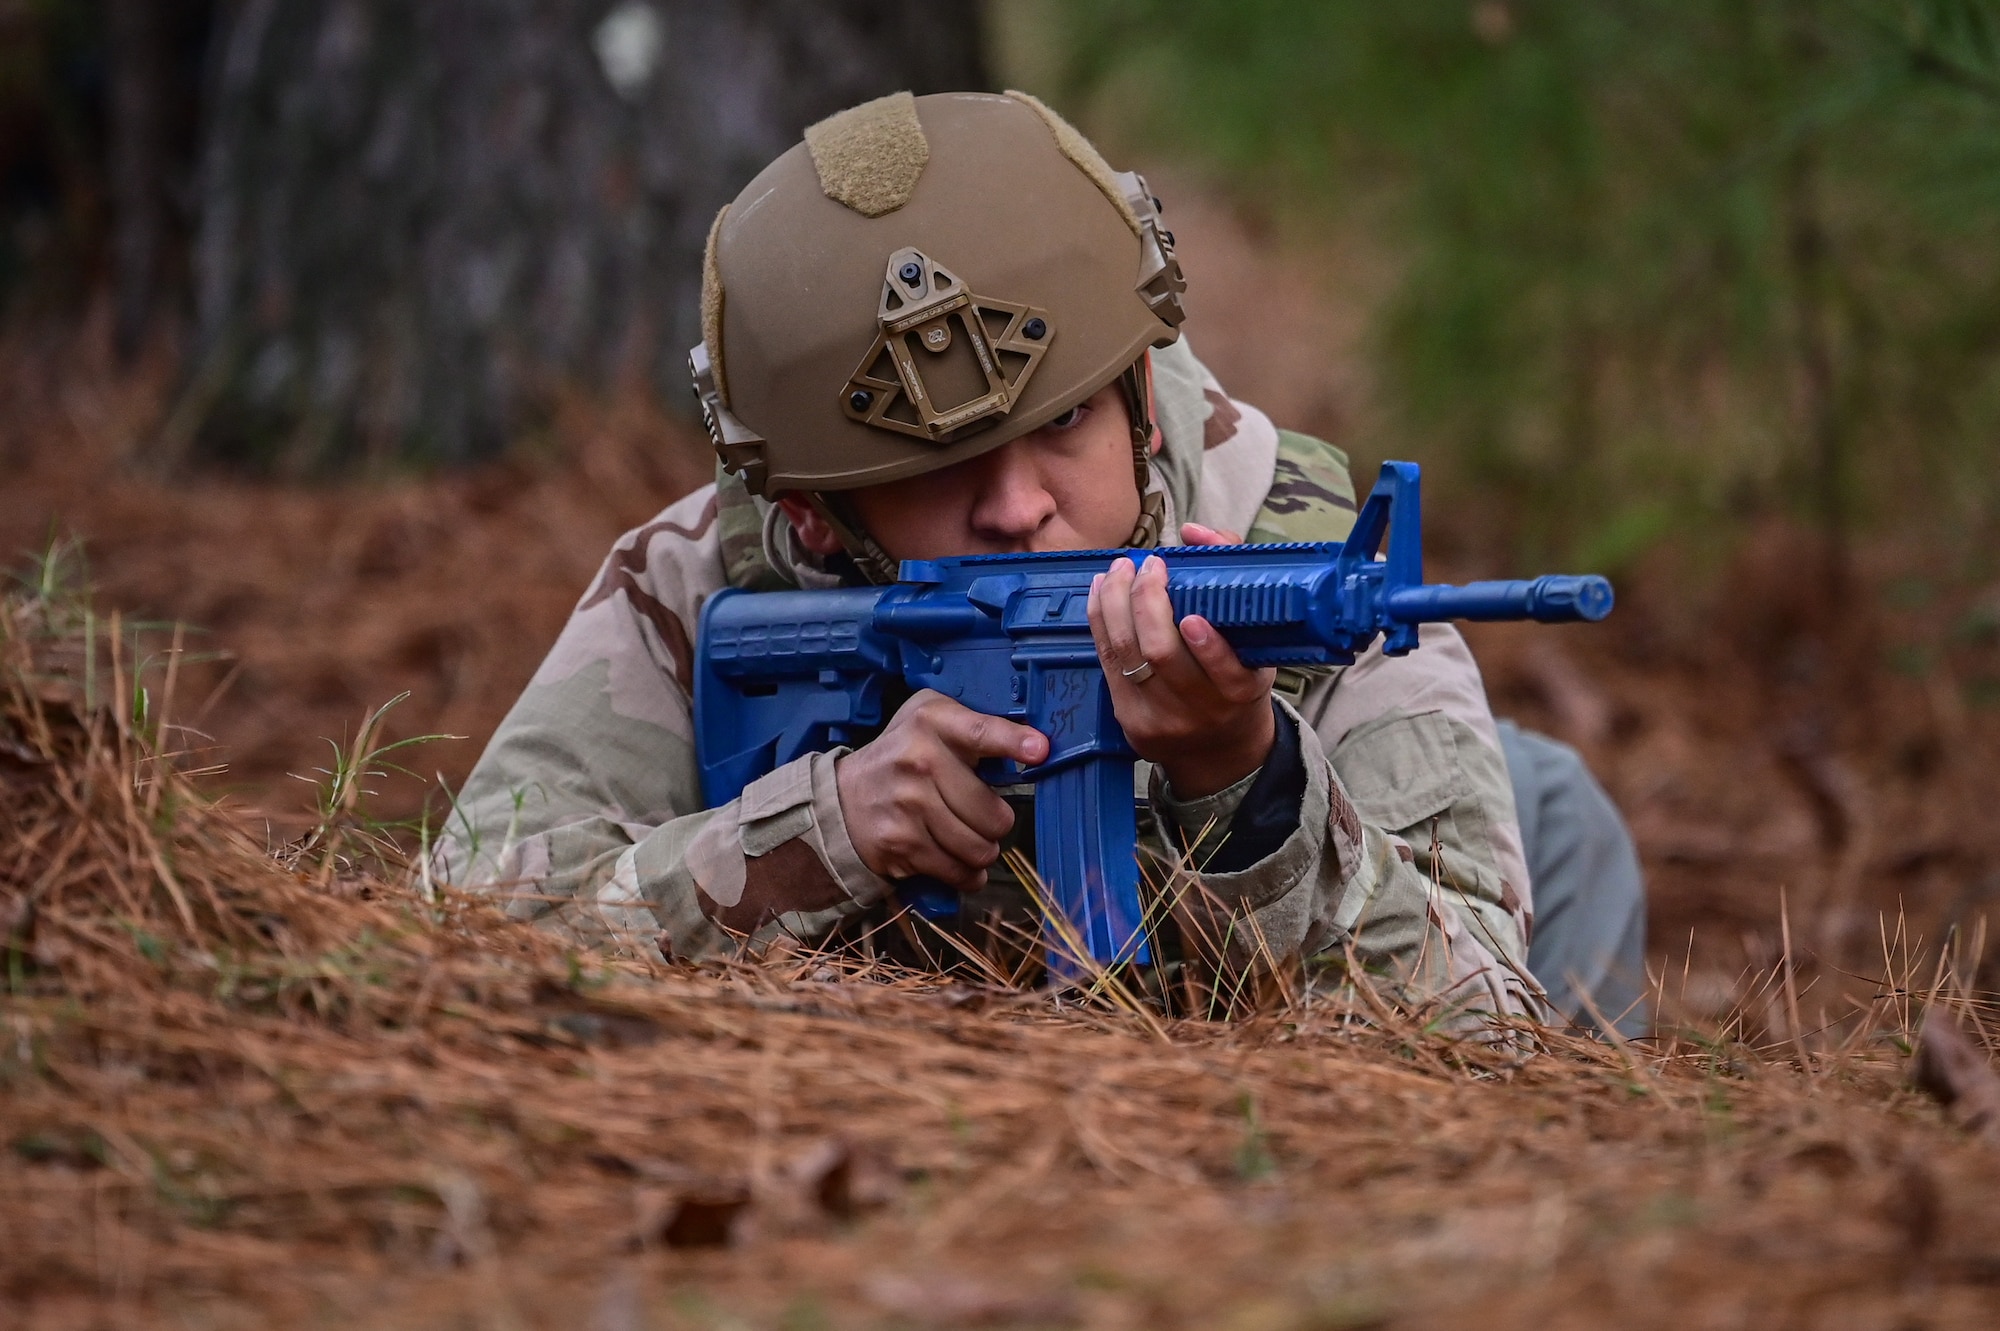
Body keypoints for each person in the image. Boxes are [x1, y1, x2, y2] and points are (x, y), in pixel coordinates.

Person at [436, 91, 1646, 1033]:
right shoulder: (711, 582)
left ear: (1135, 396)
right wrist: (825, 828)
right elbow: (449, 940)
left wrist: (1245, 780)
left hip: (1309, 1052)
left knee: (1557, 810)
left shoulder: (1304, 553)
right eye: (934, 468)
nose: (1018, 506)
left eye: (1060, 422)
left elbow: (1479, 1038)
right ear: (814, 517)